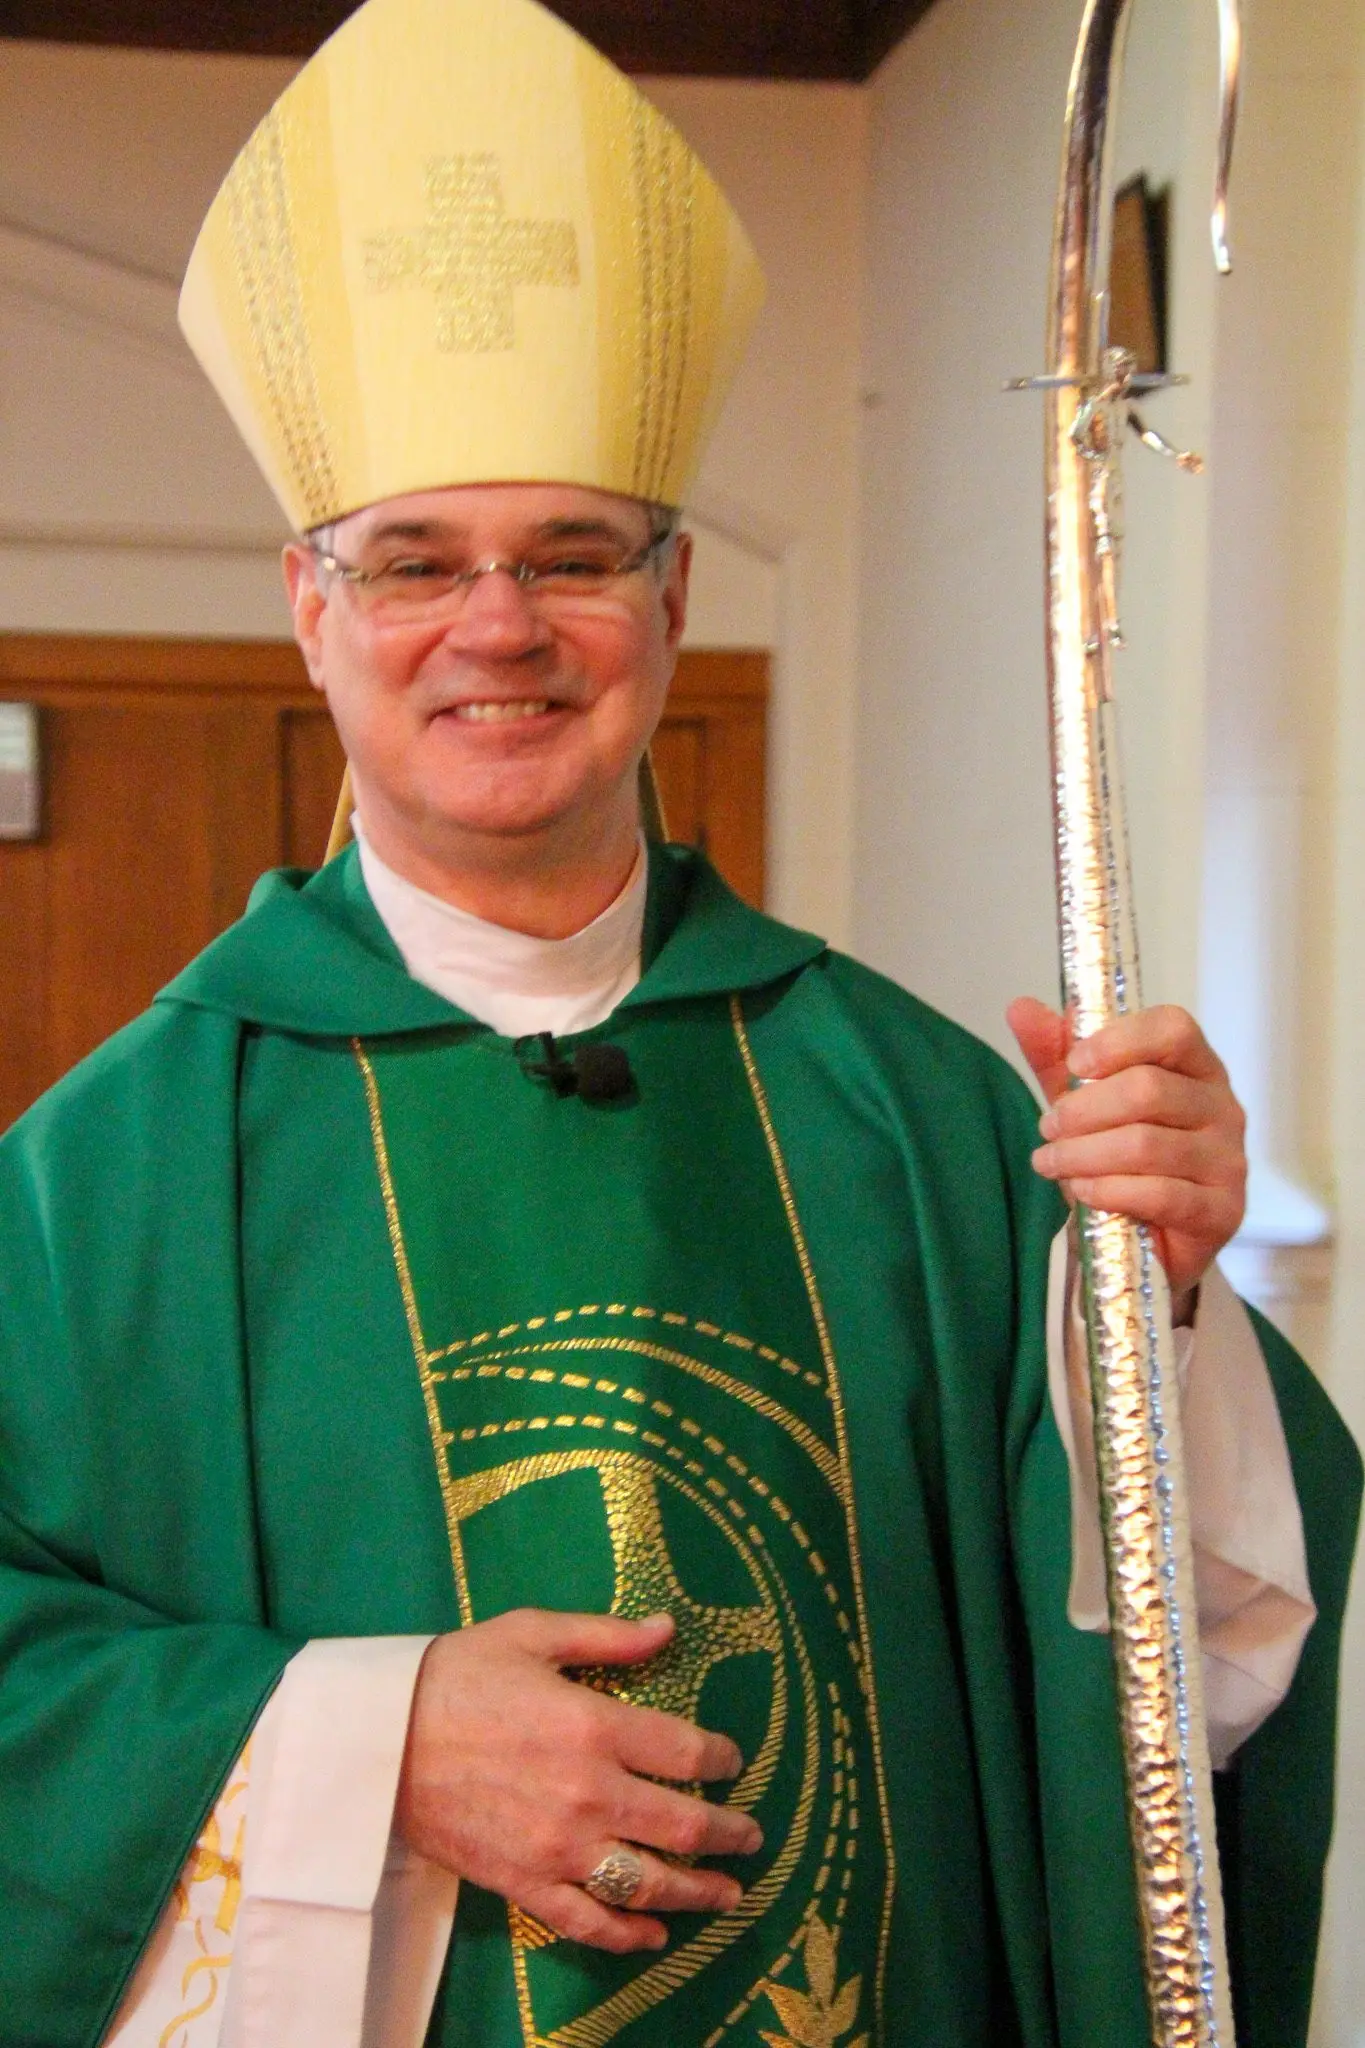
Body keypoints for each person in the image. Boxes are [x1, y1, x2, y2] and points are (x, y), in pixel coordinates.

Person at [0, 1, 1357, 2045]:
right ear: (309, 607)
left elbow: (1177, 1683)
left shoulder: (914, 1118)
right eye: (414, 565)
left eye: (571, 556)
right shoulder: (94, 1181)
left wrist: (1154, 1306)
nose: (499, 627)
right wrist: (359, 1742)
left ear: (672, 593)